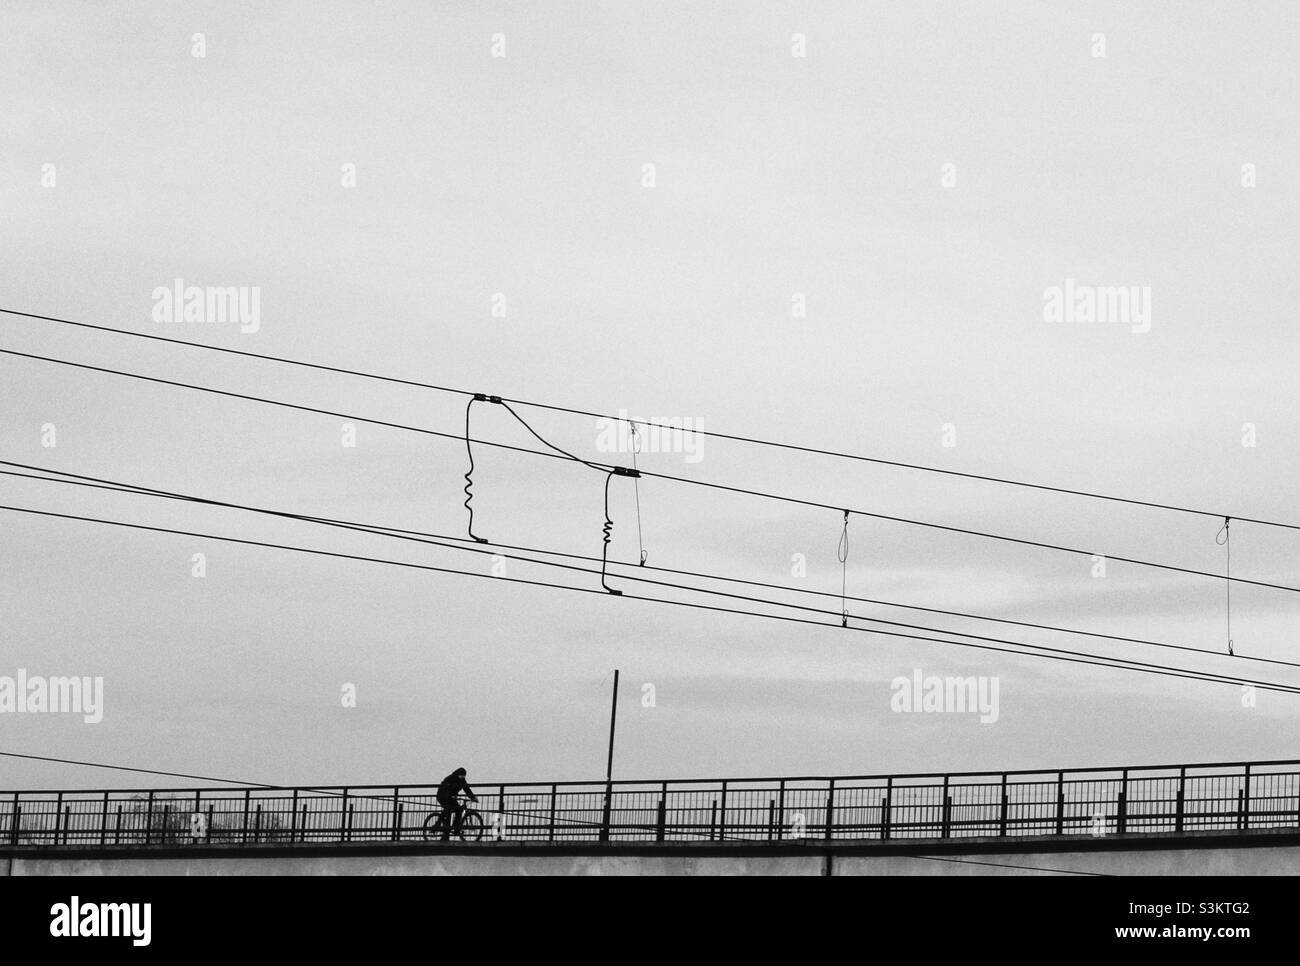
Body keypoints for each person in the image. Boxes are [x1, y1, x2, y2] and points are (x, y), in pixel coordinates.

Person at [435, 767, 477, 840]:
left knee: (458, 810)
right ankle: (444, 829)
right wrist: (451, 794)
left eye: (464, 775)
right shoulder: (450, 778)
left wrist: (473, 797)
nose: (462, 777)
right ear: (458, 774)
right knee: (450, 809)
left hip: (451, 797)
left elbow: (467, 789)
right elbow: (446, 788)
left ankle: (455, 828)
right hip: (443, 796)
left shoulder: (462, 780)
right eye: (461, 775)